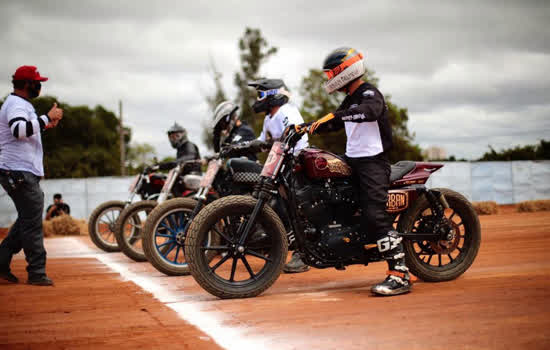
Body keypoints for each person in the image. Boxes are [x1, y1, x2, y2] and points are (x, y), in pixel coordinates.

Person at [305, 47, 411, 296]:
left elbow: (369, 112)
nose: (329, 80)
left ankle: (400, 273)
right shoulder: (351, 98)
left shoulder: (369, 94)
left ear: (345, 72)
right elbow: (333, 122)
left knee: (375, 214)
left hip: (373, 162)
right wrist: (307, 127)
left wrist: (337, 115)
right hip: (353, 160)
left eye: (331, 74)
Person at [0, 65, 63, 286]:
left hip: (18, 171)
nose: (40, 86)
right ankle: (36, 272)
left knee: (28, 219)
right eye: (37, 82)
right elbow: (18, 130)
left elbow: (25, 132)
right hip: (18, 171)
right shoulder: (17, 104)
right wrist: (47, 117)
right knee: (32, 224)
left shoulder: (18, 104)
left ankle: (1, 262)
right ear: (27, 84)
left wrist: (46, 125)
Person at [247, 78, 310, 274]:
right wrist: (239, 147)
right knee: (279, 205)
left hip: (297, 162)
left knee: (298, 207)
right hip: (278, 165)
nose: (257, 99)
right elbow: (261, 141)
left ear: (271, 95)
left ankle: (303, 252)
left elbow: (296, 135)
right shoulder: (269, 119)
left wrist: (289, 158)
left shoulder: (287, 112)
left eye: (260, 94)